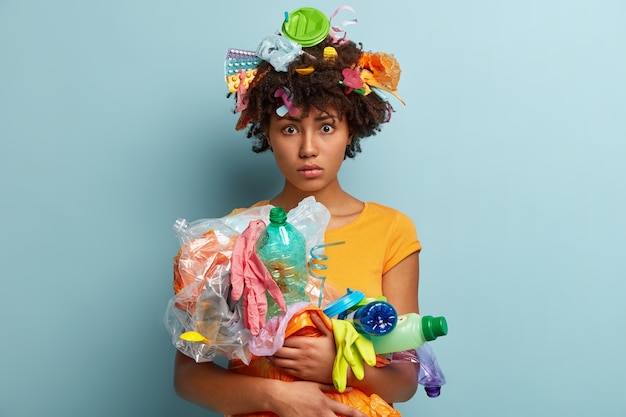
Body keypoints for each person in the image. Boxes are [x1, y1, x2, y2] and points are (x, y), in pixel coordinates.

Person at [173, 6, 421, 416]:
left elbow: (406, 381)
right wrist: (277, 397)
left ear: (350, 129)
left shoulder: (391, 230)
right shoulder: (234, 233)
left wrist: (334, 366)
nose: (308, 148)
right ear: (267, 133)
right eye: (290, 128)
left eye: (326, 127)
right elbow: (187, 376)